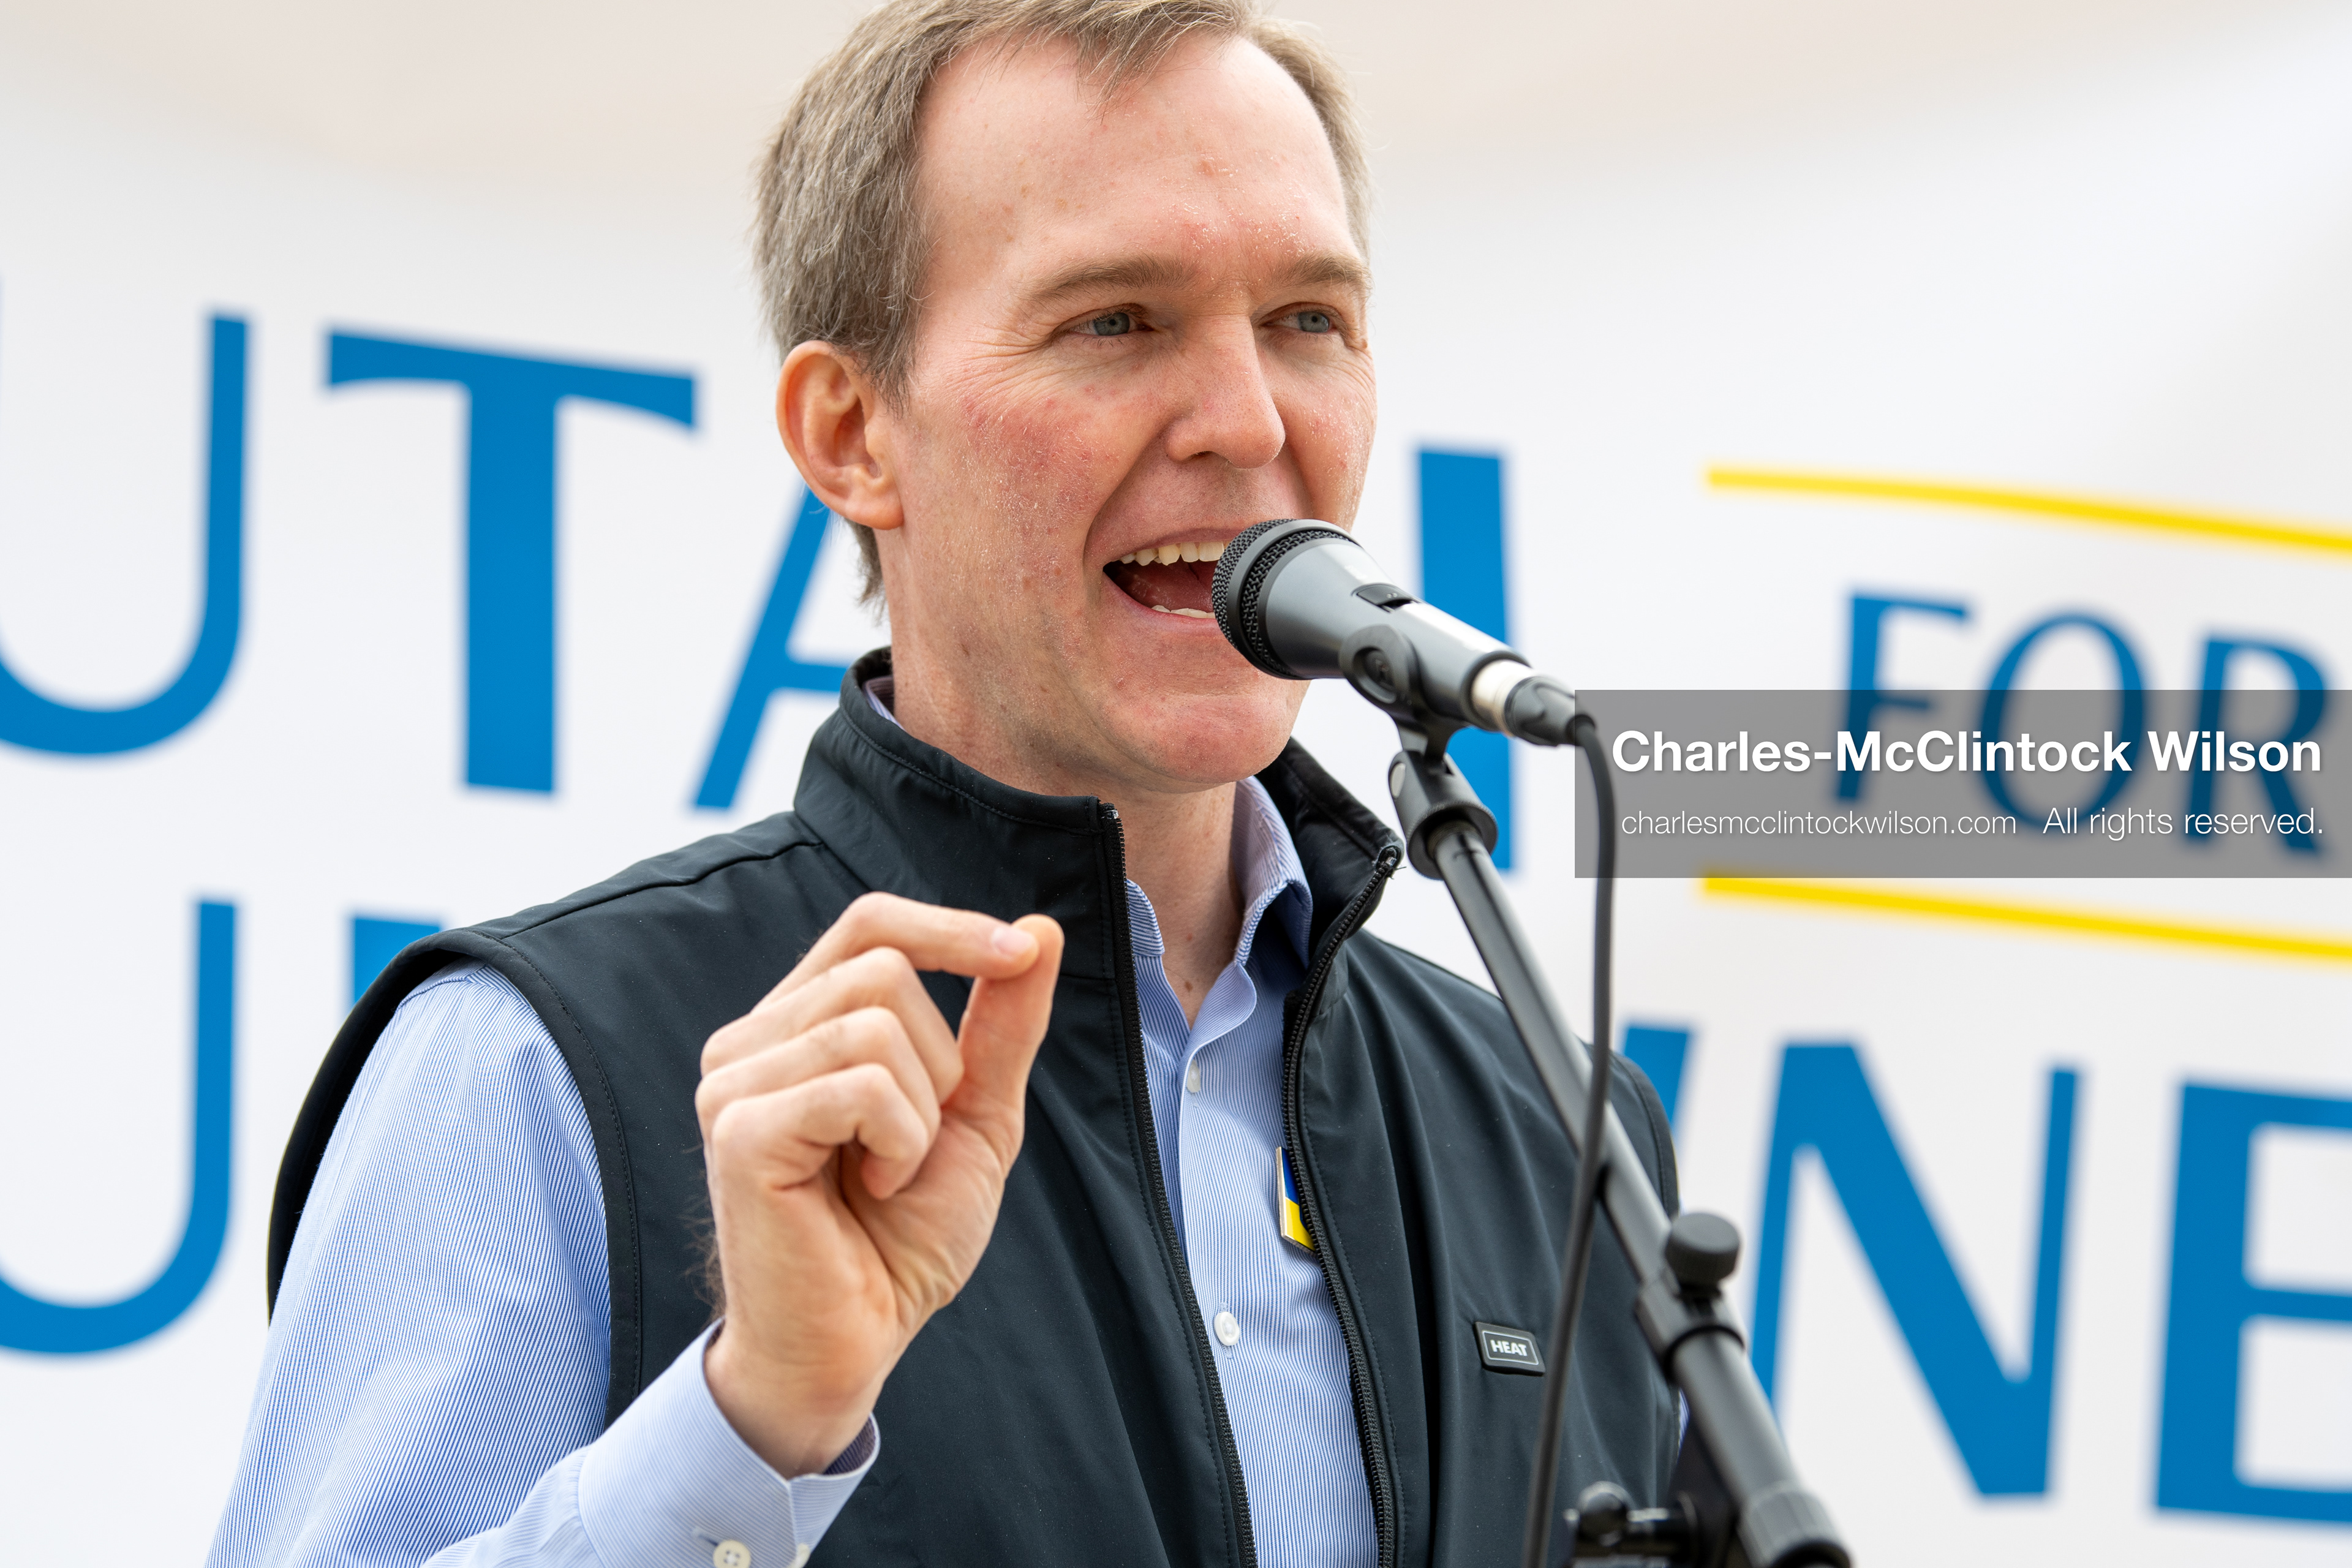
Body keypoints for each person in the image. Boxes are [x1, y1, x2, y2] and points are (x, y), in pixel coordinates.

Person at [208, 2, 1681, 1565]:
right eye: (1116, 320)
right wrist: (748, 1422)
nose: (1250, 419)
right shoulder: (530, 1064)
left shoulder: (1566, 1130)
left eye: (1309, 319)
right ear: (852, 435)